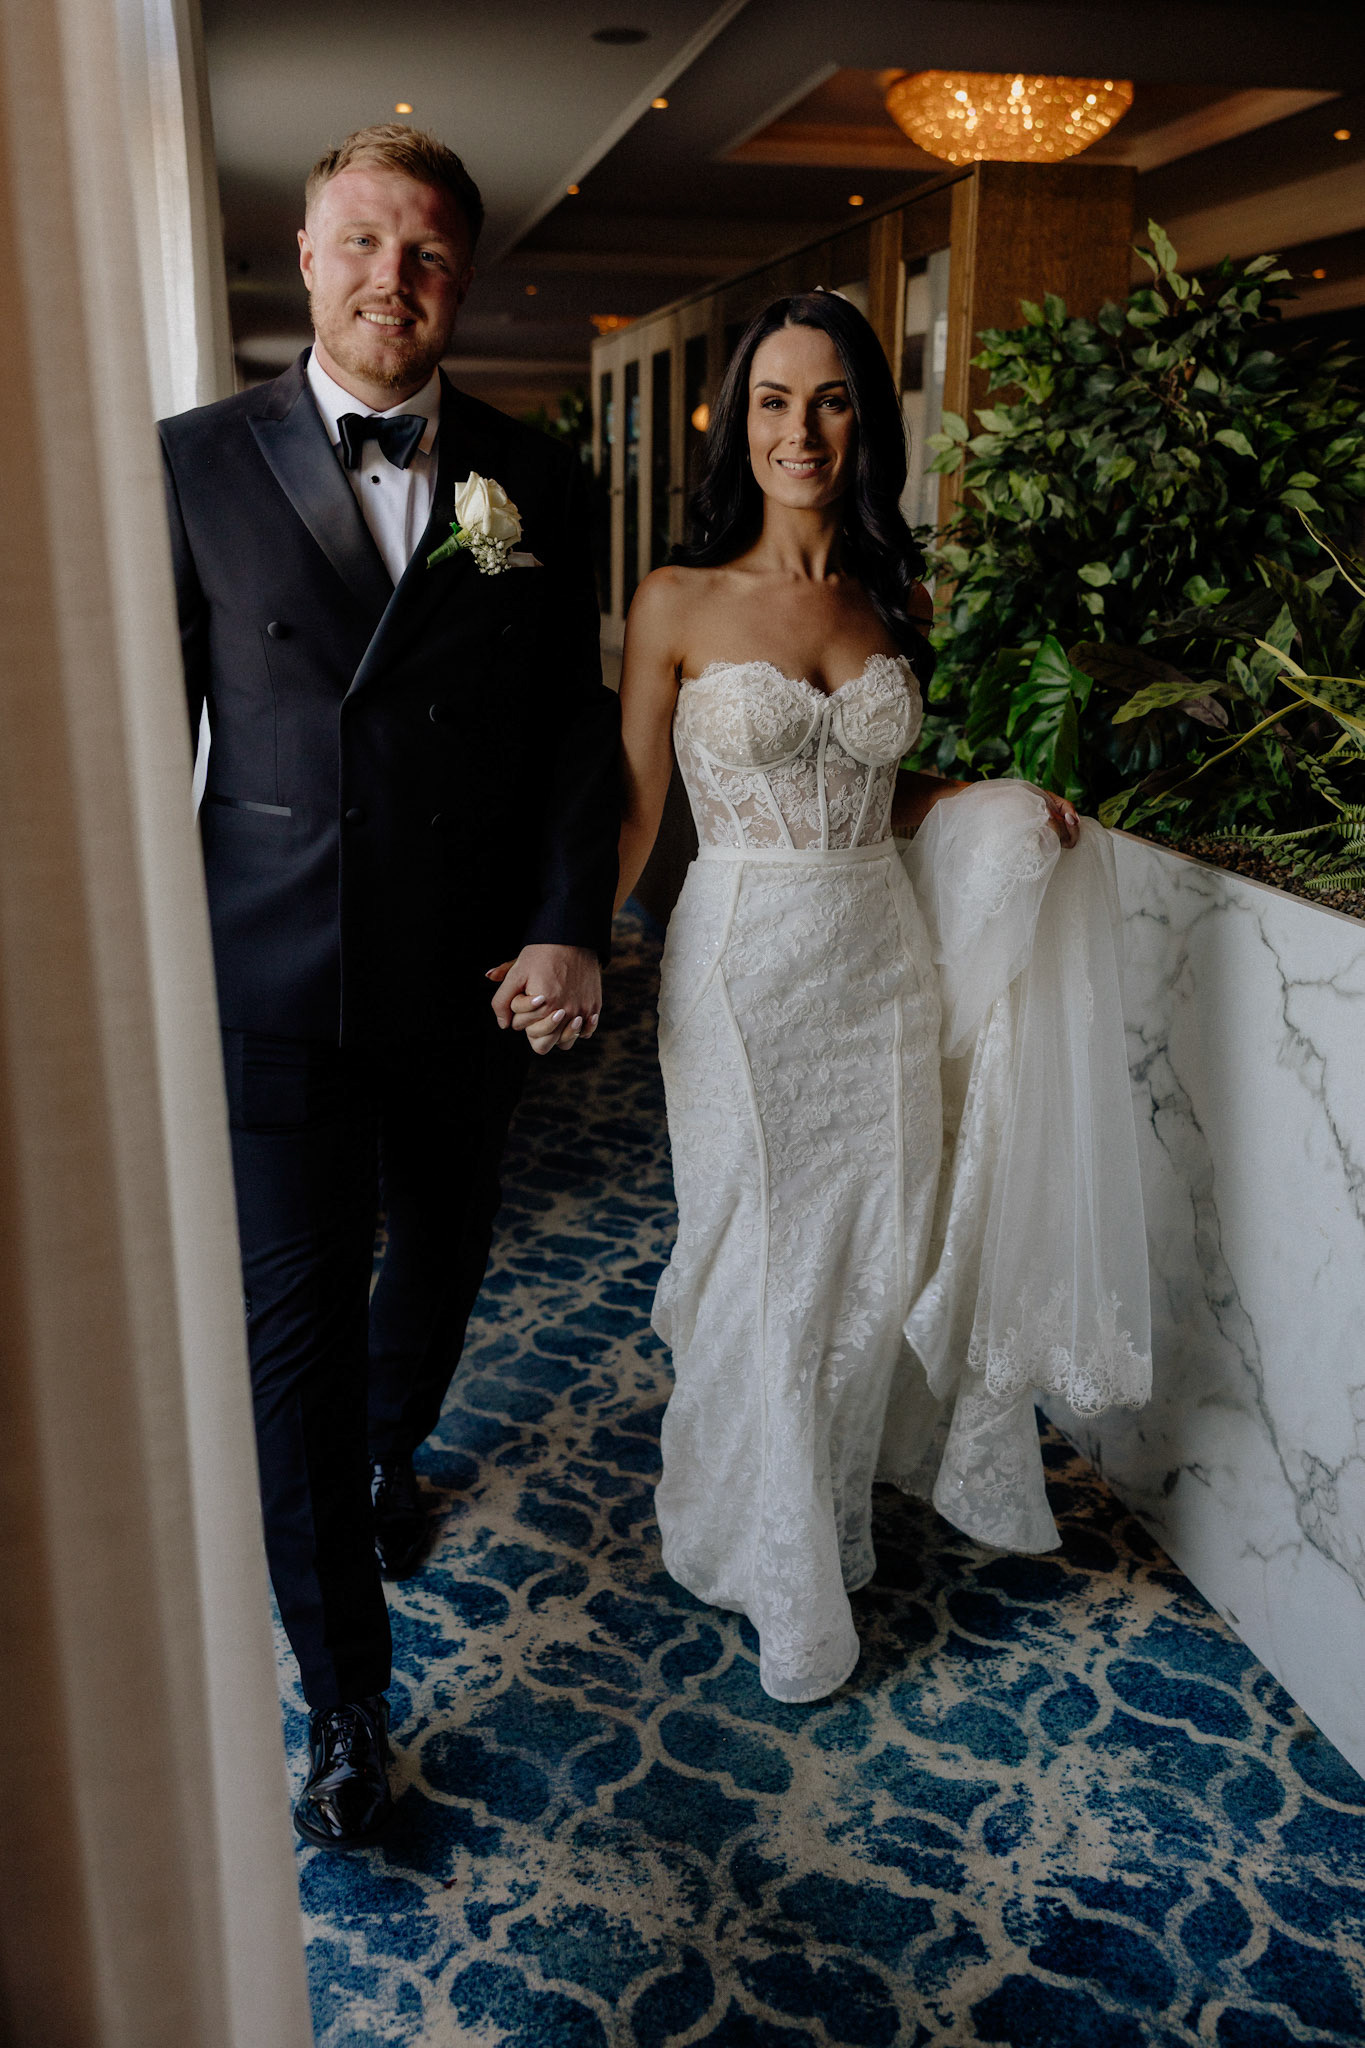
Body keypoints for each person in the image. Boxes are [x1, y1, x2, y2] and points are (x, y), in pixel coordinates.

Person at [518, 290, 1149, 1703]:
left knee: (871, 1251)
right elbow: (635, 804)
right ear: (735, 424)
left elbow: (879, 783)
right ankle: (772, 1564)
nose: (798, 430)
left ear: (866, 419)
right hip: (743, 964)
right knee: (758, 1251)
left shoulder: (890, 599)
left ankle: (821, 1507)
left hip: (879, 957)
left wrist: (985, 800)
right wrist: (568, 939)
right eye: (770, 401)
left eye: (829, 400)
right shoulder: (676, 600)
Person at [161, 126, 619, 1846]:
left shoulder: (540, 473)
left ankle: (390, 1447)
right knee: (290, 1340)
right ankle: (346, 1694)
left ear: (463, 277)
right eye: (360, 243)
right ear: (304, 256)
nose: (389, 280)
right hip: (273, 971)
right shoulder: (191, 462)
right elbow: (142, 732)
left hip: (469, 970)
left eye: (424, 252)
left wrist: (573, 919)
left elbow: (573, 728)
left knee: (436, 1266)